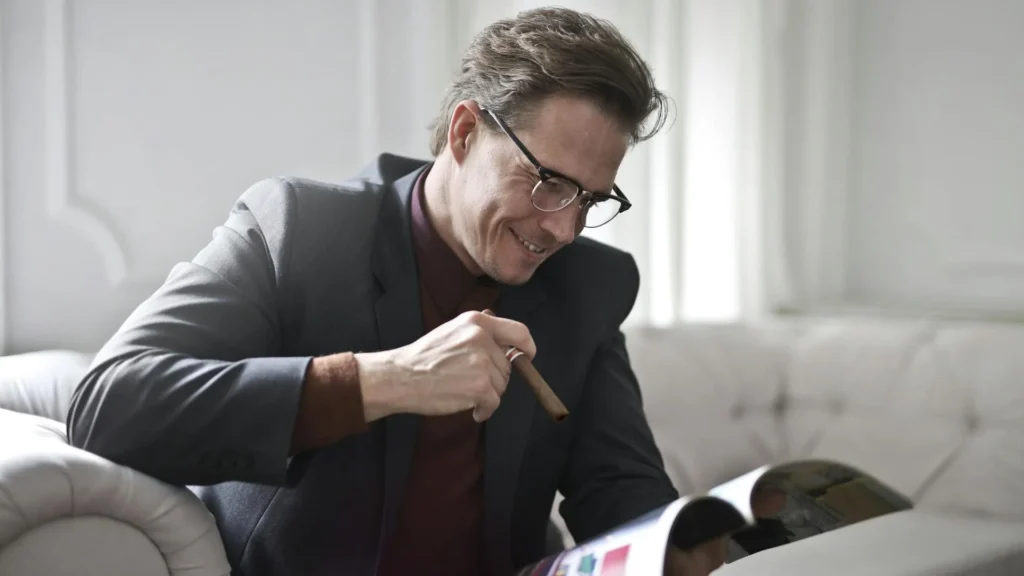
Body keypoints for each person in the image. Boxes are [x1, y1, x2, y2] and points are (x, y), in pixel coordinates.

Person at [67, 7, 779, 576]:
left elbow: (616, 484)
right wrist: (386, 380)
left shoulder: (588, 284)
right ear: (466, 131)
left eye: (592, 199)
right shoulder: (299, 229)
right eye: (548, 182)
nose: (565, 227)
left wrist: (679, 550)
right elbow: (111, 404)